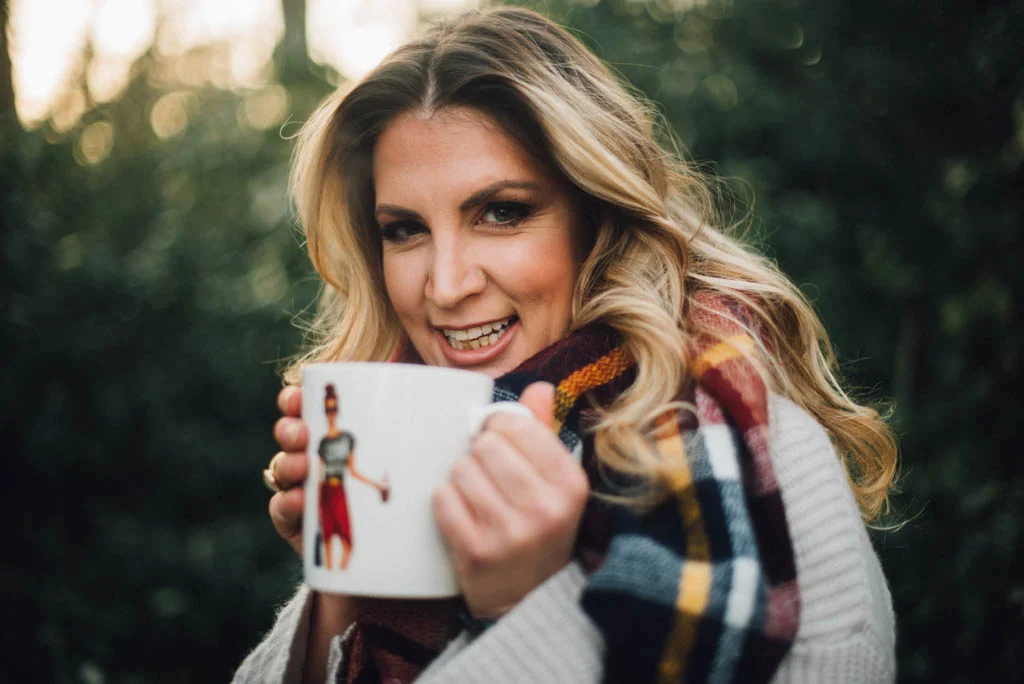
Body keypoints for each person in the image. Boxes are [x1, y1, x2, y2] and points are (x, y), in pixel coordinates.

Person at [236, 6, 898, 684]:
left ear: (597, 219)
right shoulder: (391, 453)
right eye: (405, 230)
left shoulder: (763, 462)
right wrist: (344, 579)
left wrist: (524, 604)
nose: (446, 285)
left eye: (502, 213)